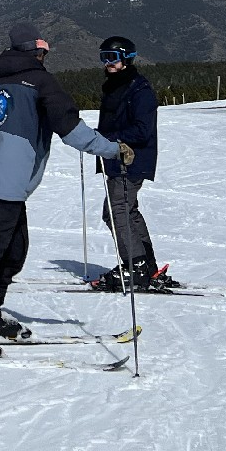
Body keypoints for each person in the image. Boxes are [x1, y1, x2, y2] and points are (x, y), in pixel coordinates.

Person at [0, 22, 132, 355]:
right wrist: (114, 149)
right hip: (6, 184)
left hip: (4, 182)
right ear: (39, 52)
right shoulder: (41, 82)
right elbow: (72, 131)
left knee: (13, 251)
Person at [90, 35, 177, 291]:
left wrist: (105, 138)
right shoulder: (116, 86)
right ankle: (147, 266)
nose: (107, 63)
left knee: (115, 210)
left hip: (131, 161)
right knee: (128, 211)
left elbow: (142, 130)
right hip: (117, 159)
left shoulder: (139, 90)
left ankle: (135, 266)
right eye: (104, 57)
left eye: (112, 58)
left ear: (127, 59)